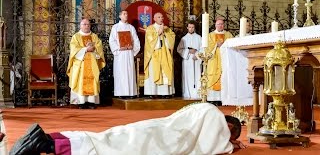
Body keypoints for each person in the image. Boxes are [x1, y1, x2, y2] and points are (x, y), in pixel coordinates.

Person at [9, 103, 245, 155]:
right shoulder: (214, 115)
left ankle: (48, 140)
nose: (227, 136)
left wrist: (229, 141)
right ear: (228, 125)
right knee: (110, 147)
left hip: (158, 127)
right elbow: (216, 142)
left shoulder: (202, 108)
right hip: (164, 138)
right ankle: (47, 144)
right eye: (230, 132)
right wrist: (230, 145)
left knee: (109, 139)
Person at [66, 19, 106, 109]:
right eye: (84, 24)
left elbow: (99, 47)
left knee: (93, 81)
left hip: (92, 64)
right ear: (80, 26)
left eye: (88, 24)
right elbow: (74, 49)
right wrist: (86, 49)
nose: (86, 26)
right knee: (80, 82)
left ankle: (91, 102)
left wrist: (94, 48)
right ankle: (81, 102)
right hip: (81, 65)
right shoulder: (76, 37)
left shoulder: (94, 36)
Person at [109, 10, 140, 99]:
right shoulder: (115, 27)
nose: (126, 15)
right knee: (120, 72)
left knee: (129, 72)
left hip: (129, 53)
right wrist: (118, 49)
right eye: (124, 14)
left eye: (127, 14)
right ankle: (121, 92)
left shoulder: (131, 28)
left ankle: (131, 93)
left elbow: (136, 40)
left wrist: (133, 50)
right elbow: (112, 40)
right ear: (120, 16)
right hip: (120, 54)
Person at [144, 12, 176, 99]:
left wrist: (165, 34)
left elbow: (172, 38)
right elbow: (149, 41)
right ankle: (152, 92)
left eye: (162, 17)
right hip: (154, 54)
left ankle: (165, 92)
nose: (161, 18)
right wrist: (158, 33)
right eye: (158, 17)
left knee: (165, 71)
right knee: (154, 72)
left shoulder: (167, 29)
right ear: (154, 19)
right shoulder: (150, 28)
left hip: (165, 53)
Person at [206, 18, 233, 104]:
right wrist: (216, 45)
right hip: (214, 60)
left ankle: (223, 99)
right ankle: (213, 99)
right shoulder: (210, 35)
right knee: (213, 76)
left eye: (222, 24)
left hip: (224, 60)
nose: (220, 26)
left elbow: (232, 45)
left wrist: (224, 44)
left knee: (224, 77)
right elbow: (208, 47)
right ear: (215, 25)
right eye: (218, 24)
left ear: (223, 25)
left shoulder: (228, 35)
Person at [177, 21, 202, 98]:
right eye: (190, 27)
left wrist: (197, 55)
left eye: (192, 27)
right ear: (187, 28)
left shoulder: (199, 38)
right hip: (187, 61)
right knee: (188, 77)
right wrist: (188, 51)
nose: (191, 29)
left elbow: (203, 49)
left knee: (197, 77)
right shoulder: (184, 39)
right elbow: (179, 49)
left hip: (196, 61)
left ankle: (198, 94)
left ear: (194, 28)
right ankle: (187, 94)